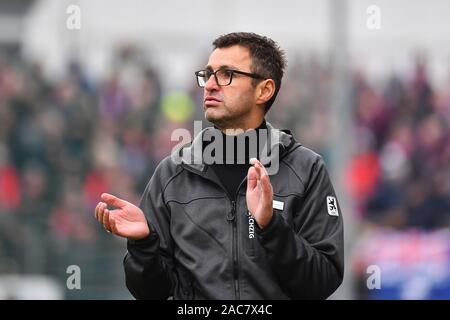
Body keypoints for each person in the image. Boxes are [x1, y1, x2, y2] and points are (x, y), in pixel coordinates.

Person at [94, 32, 344, 299]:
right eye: (208, 74)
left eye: (227, 74)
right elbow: (151, 292)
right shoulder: (172, 173)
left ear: (264, 90)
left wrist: (272, 227)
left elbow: (323, 281)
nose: (210, 85)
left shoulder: (306, 169)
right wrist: (143, 245)